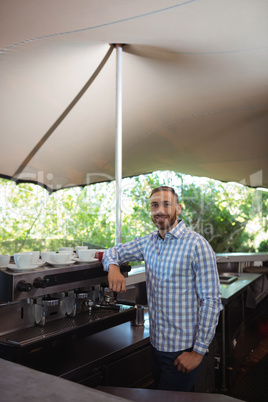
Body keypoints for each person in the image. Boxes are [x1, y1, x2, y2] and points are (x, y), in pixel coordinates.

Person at [102, 186, 223, 392]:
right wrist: (113, 267)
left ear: (178, 208)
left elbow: (211, 301)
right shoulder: (147, 243)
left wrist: (198, 353)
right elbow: (112, 252)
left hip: (183, 350)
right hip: (156, 346)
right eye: (154, 205)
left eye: (166, 204)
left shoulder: (197, 245)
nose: (160, 210)